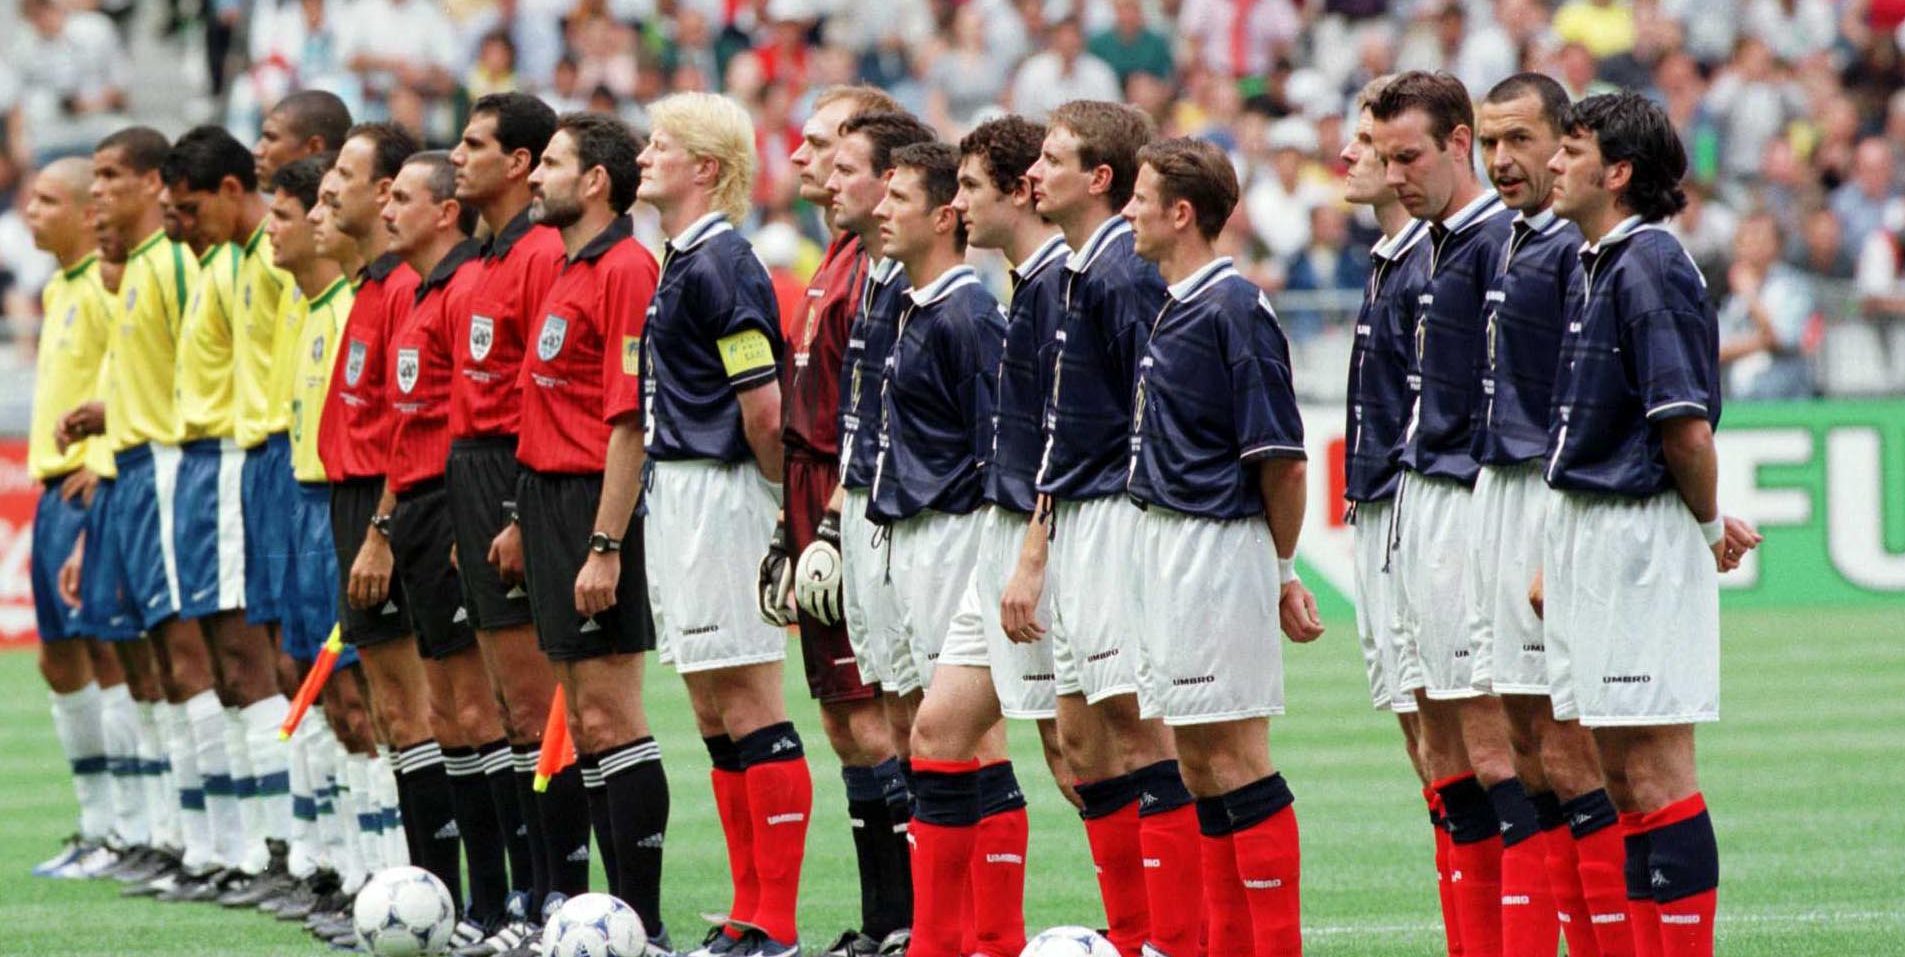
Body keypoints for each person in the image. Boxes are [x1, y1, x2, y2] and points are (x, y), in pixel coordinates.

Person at [1544, 90, 1761, 957]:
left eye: (1571, 149)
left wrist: (1706, 523)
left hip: (1634, 536)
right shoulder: (1599, 260)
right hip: (1592, 530)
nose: (1556, 165)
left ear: (1618, 171)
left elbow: (1683, 426)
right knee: (1618, 776)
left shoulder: (1650, 264)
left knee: (1657, 770)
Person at [1121, 134, 1322, 957]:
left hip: (1215, 550)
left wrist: (1277, 570)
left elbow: (1281, 459)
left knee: (1234, 755)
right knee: (1197, 764)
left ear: (1180, 212)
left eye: (1140, 196)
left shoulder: (1235, 306)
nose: (1128, 210)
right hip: (1167, 548)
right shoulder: (1173, 301)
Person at [1016, 100, 1196, 957]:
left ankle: (1174, 935)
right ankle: (1132, 932)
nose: (1033, 174)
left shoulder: (1125, 275)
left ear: (1097, 178)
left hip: (1119, 519)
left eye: (1050, 160)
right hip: (1077, 518)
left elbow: (1152, 410)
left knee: (1136, 722)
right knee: (1085, 738)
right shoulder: (1080, 270)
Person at [636, 92, 806, 957]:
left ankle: (773, 920)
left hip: (723, 493)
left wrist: (779, 518)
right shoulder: (679, 258)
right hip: (682, 491)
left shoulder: (723, 263)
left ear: (705, 167)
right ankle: (747, 909)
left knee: (747, 698)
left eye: (661, 144)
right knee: (710, 703)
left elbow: (765, 410)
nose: (643, 154)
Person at [904, 113, 1076, 957]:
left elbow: (1074, 433)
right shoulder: (1023, 284)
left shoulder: (1055, 286)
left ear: (1018, 191)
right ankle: (952, 945)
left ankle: (1165, 933)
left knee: (1084, 758)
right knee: (937, 731)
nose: (956, 201)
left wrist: (1033, 555)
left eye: (969, 185)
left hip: (1037, 546)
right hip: (1001, 544)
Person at [1471, 72, 1633, 957]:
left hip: (1548, 493)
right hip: (1501, 492)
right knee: (1525, 742)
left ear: (1564, 143)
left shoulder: (1575, 255)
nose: (1501, 160)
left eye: (1520, 142)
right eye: (1488, 143)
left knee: (1571, 746)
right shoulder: (1509, 243)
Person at [517, 110, 672, 956]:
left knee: (612, 714)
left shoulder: (624, 270)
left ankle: (640, 921)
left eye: (551, 164)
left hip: (593, 503)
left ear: (594, 182)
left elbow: (629, 422)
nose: (535, 177)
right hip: (547, 499)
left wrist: (606, 543)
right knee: (579, 714)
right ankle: (597, 918)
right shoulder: (566, 265)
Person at [1368, 71, 1516, 957]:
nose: (1392, 174)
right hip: (1417, 506)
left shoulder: (1499, 244)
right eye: (1384, 157)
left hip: (1473, 506)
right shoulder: (1425, 247)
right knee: (1445, 752)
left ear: (1460, 142)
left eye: (1407, 155)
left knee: (1501, 752)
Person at [57, 126, 223, 900]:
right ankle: (171, 832)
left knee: (191, 655)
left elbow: (196, 370)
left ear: (157, 183)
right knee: (150, 658)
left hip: (167, 466)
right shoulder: (134, 272)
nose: (98, 192)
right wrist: (107, 416)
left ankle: (221, 841)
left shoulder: (176, 265)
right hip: (129, 467)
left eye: (110, 176)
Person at [768, 83, 914, 957]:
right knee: (844, 717)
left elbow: (869, 414)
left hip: (848, 504)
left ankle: (908, 918)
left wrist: (825, 526)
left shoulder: (878, 268)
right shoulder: (834, 256)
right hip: (812, 500)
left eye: (823, 144)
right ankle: (884, 917)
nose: (800, 157)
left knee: (877, 715)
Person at [861, 139, 1009, 957]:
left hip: (957, 537)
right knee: (929, 734)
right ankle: (957, 934)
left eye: (898, 198)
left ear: (945, 215)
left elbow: (996, 455)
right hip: (908, 539)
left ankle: (982, 934)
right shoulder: (913, 304)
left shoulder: (969, 313)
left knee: (968, 737)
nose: (881, 210)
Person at [159, 125, 301, 900]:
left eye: (189, 209)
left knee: (257, 657)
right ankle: (262, 843)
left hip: (257, 455)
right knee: (236, 660)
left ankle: (273, 845)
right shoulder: (225, 263)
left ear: (230, 191)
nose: (180, 225)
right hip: (237, 460)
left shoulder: (276, 261)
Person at [446, 93, 572, 951]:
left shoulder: (536, 255)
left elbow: (539, 392)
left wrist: (513, 510)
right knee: (499, 705)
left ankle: (556, 898)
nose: (457, 155)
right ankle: (520, 900)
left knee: (533, 706)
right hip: (471, 469)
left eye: (474, 142)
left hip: (513, 472)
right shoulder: (480, 259)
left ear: (519, 163)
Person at [811, 110, 935, 957]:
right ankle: (900, 922)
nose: (823, 178)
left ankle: (940, 925)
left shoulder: (934, 296)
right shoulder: (864, 275)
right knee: (885, 721)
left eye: (846, 165)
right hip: (854, 514)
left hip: (917, 526)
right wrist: (822, 524)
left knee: (932, 728)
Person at [380, 149, 511, 949]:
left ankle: (510, 901)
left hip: (456, 499)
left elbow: (484, 412)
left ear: (444, 214)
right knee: (448, 711)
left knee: (486, 707)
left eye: (403, 197)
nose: (389, 209)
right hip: (422, 508)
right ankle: (476, 906)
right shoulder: (421, 290)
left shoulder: (466, 287)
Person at [1336, 72, 1451, 954]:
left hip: (1416, 508)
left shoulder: (1431, 257)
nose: (1349, 156)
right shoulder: (1387, 260)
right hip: (1376, 506)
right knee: (1419, 735)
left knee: (1449, 728)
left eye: (1369, 147)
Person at [308, 121, 425, 945]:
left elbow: (412, 423)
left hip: (392, 506)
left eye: (344, 175)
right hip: (354, 501)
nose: (329, 190)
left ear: (385, 194)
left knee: (419, 709)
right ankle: (400, 882)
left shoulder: (405, 289)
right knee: (393, 710)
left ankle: (424, 887)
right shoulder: (368, 288)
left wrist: (382, 529)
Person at [24, 157, 132, 880]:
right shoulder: (60, 286)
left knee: (111, 655)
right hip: (51, 485)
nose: (30, 210)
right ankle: (98, 825)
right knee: (59, 657)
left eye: (45, 199)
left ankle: (130, 826)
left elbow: (134, 371)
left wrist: (108, 455)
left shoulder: (104, 284)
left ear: (86, 212)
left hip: (91, 486)